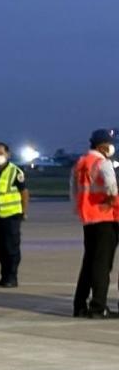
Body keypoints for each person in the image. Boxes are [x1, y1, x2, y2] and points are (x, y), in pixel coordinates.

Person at [71, 129, 119, 318]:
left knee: (89, 262)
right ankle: (98, 307)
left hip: (88, 218)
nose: (111, 146)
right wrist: (111, 199)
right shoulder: (102, 162)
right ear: (101, 146)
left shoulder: (81, 163)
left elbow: (74, 191)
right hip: (105, 218)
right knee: (102, 265)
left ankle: (80, 304)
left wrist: (81, 210)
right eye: (109, 143)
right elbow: (111, 186)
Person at [0, 142, 28, 288]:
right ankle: (4, 276)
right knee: (1, 248)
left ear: (8, 155)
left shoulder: (15, 172)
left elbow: (24, 193)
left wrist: (24, 211)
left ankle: (12, 277)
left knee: (11, 248)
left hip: (12, 216)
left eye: (0, 153)